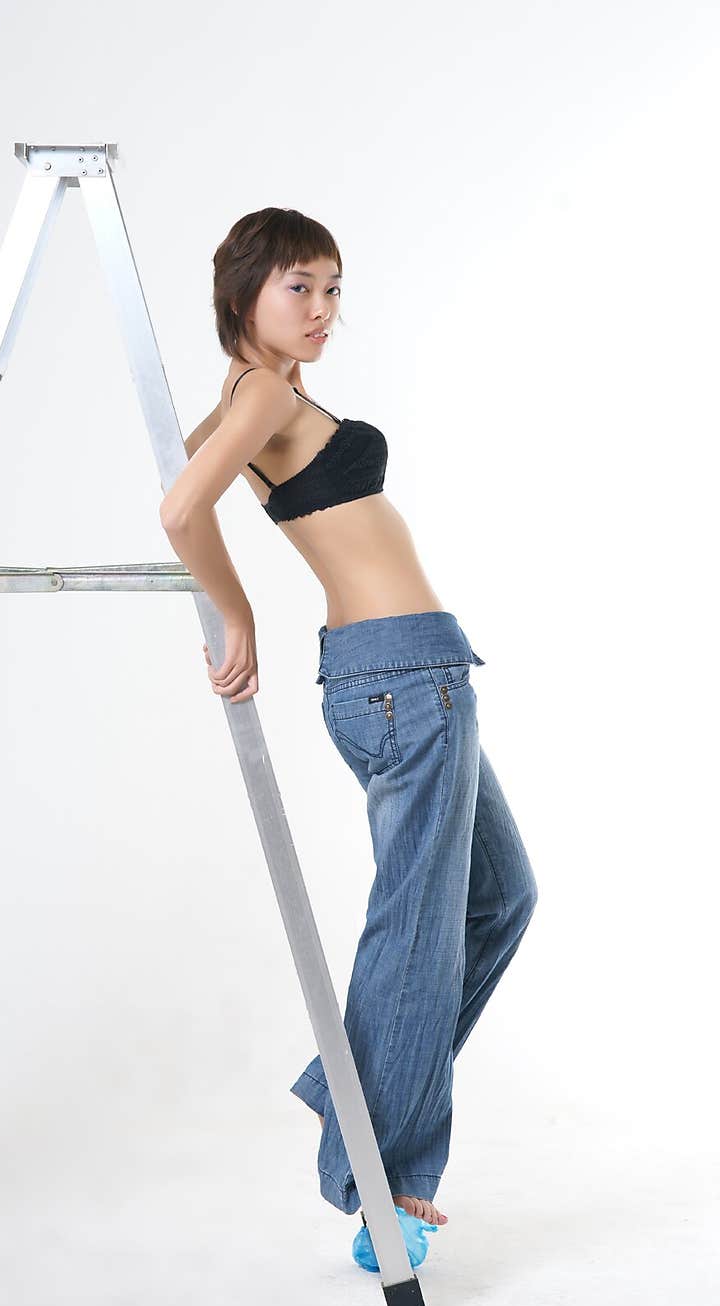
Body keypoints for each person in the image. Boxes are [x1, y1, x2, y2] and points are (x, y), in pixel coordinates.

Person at [159, 207, 538, 1226]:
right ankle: (382, 1187)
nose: (323, 309)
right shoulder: (266, 390)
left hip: (403, 674)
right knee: (417, 925)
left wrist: (239, 403)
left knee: (500, 899)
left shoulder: (260, 395)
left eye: (333, 290)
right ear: (244, 295)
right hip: (403, 679)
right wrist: (235, 611)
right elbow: (180, 505)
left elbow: (187, 464)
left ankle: (354, 1099)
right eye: (300, 288)